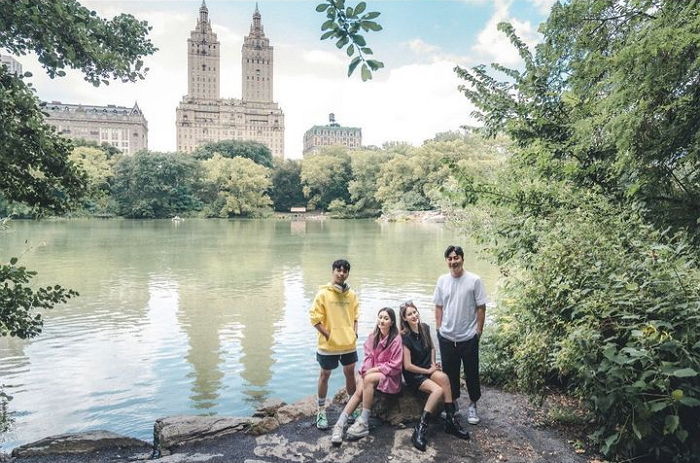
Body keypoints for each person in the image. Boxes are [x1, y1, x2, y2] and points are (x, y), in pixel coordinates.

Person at [400, 301, 470, 451]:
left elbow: (431, 347)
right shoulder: (405, 337)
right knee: (438, 390)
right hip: (414, 374)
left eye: (415, 312)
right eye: (409, 314)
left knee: (444, 378)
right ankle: (420, 428)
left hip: (427, 368)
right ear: (404, 318)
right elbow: (407, 366)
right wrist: (428, 371)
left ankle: (450, 422)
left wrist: (432, 363)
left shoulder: (424, 328)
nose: (414, 316)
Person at [330, 307, 403, 445]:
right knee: (360, 388)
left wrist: (373, 370)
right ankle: (340, 424)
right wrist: (366, 371)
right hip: (374, 373)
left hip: (390, 376)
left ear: (392, 322)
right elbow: (368, 357)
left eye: (386, 318)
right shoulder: (373, 337)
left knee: (368, 379)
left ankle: (363, 421)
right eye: (380, 317)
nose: (382, 320)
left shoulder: (396, 340)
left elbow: (396, 365)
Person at [433, 245, 488, 425]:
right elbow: (439, 306)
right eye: (450, 258)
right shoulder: (442, 280)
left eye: (456, 258)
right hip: (447, 336)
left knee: (472, 372)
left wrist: (478, 331)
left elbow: (481, 307)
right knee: (450, 373)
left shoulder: (474, 280)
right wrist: (439, 329)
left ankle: (473, 404)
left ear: (462, 259)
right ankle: (454, 403)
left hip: (468, 336)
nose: (453, 261)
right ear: (446, 261)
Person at [309, 259, 360, 430]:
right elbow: (314, 319)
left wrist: (354, 333)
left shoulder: (352, 295)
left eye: (345, 271)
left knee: (350, 374)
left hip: (348, 344)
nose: (341, 273)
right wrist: (329, 336)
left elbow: (355, 316)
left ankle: (352, 408)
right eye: (338, 270)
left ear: (347, 274)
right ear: (333, 272)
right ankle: (321, 410)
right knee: (325, 375)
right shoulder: (323, 294)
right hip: (328, 346)